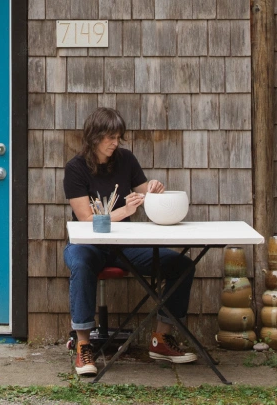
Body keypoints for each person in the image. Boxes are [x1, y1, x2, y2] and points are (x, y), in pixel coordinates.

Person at [63, 107, 197, 376]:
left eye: (118, 137)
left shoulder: (125, 159)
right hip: (88, 244)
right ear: (94, 137)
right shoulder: (75, 168)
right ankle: (84, 346)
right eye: (110, 137)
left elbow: (145, 192)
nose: (115, 143)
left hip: (125, 243)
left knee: (182, 265)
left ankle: (161, 339)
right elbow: (86, 219)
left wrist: (154, 190)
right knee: (80, 263)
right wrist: (123, 212)